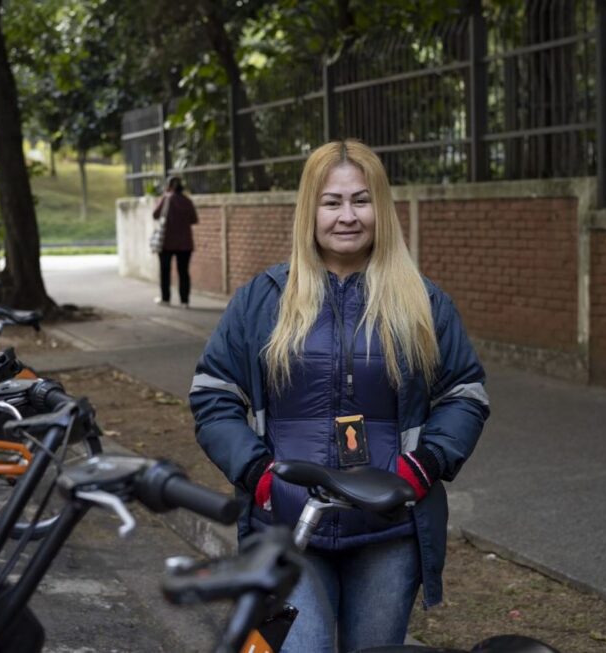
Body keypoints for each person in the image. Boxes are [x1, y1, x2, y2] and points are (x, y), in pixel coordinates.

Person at [189, 140, 489, 652]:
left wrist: (424, 466)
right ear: (310, 210)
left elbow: (465, 394)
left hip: (388, 535)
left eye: (361, 200)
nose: (347, 216)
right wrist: (259, 477)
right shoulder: (263, 301)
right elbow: (213, 394)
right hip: (289, 528)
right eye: (332, 202)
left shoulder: (423, 301)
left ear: (382, 209)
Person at [152, 175, 198, 307]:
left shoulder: (166, 199)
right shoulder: (187, 201)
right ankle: (185, 301)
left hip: (167, 243)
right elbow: (194, 219)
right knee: (183, 272)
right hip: (185, 244)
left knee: (165, 271)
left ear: (169, 186)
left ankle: (165, 299)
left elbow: (155, 215)